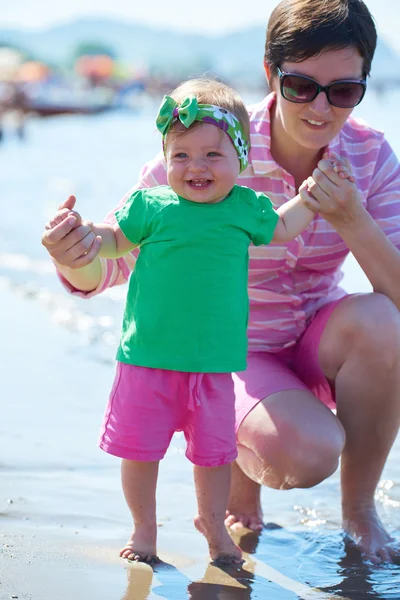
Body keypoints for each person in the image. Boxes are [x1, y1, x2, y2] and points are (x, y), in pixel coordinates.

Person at [41, 0, 400, 565]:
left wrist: (352, 218)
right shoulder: (207, 143)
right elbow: (115, 261)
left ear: (363, 86)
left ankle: (359, 510)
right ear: (270, 72)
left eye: (344, 91)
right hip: (224, 351)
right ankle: (238, 452)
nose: (321, 106)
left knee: (385, 323)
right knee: (305, 455)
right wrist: (74, 254)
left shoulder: (371, 156)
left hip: (313, 335)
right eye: (301, 85)